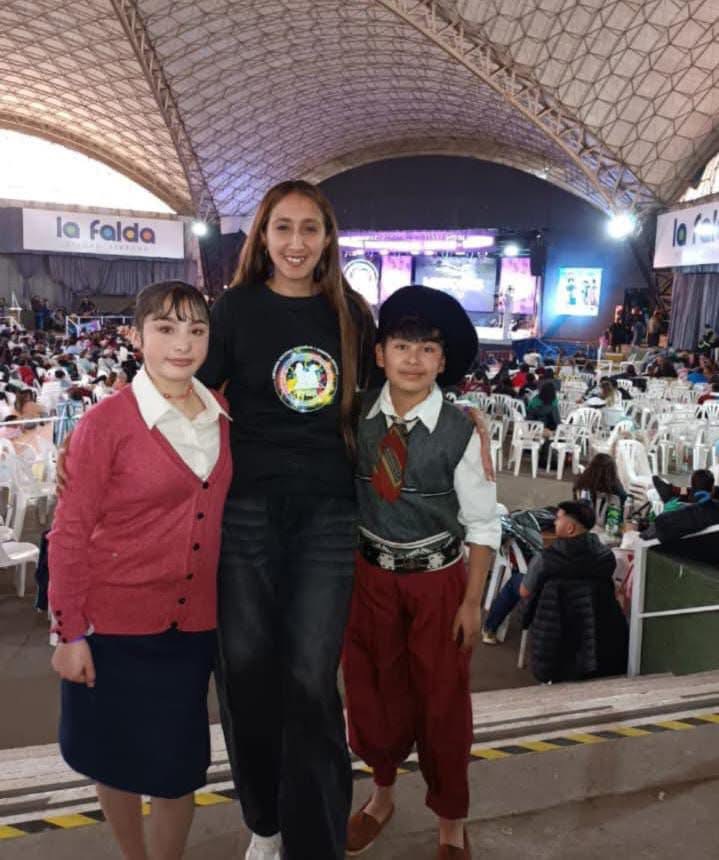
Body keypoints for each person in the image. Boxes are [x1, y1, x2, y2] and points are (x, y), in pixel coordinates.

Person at [196, 180, 376, 860]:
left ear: (327, 239)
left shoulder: (350, 313)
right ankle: (266, 821)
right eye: (283, 228)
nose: (296, 242)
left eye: (309, 228)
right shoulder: (236, 309)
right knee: (245, 668)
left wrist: (460, 414)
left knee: (309, 677)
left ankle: (317, 839)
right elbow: (186, 387)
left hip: (327, 512)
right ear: (263, 237)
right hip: (246, 510)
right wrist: (106, 434)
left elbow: (384, 397)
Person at [48, 281, 232, 860]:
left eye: (196, 330)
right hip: (112, 626)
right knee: (115, 760)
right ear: (137, 336)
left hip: (191, 627)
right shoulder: (106, 423)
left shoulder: (224, 415)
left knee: (178, 769)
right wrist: (68, 631)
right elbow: (69, 533)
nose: (183, 344)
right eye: (166, 328)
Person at [343, 286, 500, 859]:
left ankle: (451, 822)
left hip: (438, 583)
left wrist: (472, 601)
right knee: (373, 695)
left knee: (443, 704)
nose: (413, 359)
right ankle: (381, 796)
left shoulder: (461, 431)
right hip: (369, 579)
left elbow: (482, 523)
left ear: (442, 360)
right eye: (401, 346)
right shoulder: (353, 414)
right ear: (379, 354)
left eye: (427, 349)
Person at [520, 501, 628, 683]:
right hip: (598, 638)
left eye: (558, 518)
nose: (554, 522)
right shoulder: (606, 557)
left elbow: (524, 592)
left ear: (570, 528)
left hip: (554, 639)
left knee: (518, 584)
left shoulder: (544, 560)